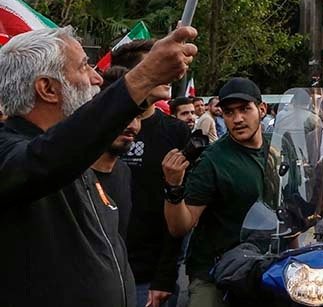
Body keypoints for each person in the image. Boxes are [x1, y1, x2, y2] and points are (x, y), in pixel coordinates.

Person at [0, 26, 197, 307]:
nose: (96, 77)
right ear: (48, 88)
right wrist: (145, 75)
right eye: (83, 67)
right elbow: (45, 159)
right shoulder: (13, 155)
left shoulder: (82, 160)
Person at [162, 77, 271, 307]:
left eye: (244, 109)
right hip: (215, 274)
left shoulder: (278, 148)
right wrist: (174, 188)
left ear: (262, 109)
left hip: (264, 267)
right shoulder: (212, 161)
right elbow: (180, 226)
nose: (238, 119)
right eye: (229, 112)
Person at [106, 62, 191, 307]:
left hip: (149, 277)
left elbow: (179, 217)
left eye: (136, 118)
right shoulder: (80, 150)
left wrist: (164, 276)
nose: (172, 72)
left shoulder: (175, 132)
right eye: (160, 62)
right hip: (102, 276)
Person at [92, 111, 141, 240]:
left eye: (138, 117)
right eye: (123, 114)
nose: (133, 126)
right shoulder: (71, 175)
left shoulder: (123, 171)